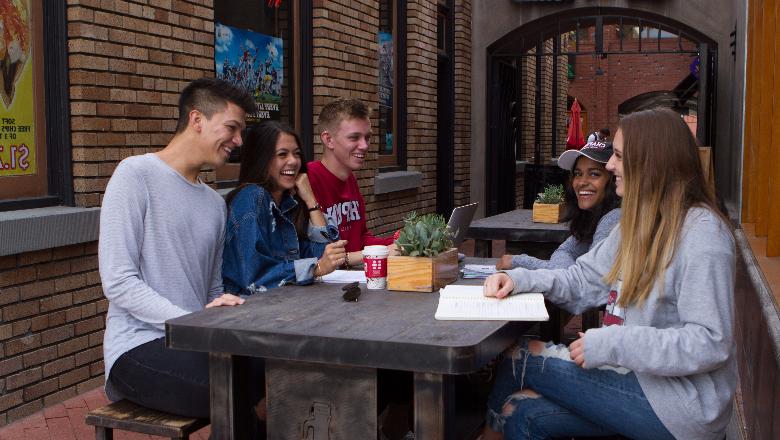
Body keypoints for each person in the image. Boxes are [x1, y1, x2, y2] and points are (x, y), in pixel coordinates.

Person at [482, 108, 736, 440]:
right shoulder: (637, 223)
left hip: (681, 408)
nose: (611, 165)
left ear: (650, 160)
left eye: (617, 155)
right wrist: (520, 278)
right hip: (639, 380)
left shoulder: (702, 234)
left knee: (517, 358)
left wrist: (615, 343)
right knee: (523, 415)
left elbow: (709, 343)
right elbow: (581, 280)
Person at [99, 78, 259, 419]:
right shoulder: (135, 175)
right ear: (197, 120)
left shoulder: (214, 204)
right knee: (238, 393)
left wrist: (220, 311)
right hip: (136, 347)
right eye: (231, 128)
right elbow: (118, 282)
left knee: (275, 373)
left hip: (193, 341)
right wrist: (191, 321)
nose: (238, 141)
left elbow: (212, 289)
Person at [222, 121, 348, 293]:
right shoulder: (251, 198)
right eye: (282, 154)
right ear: (262, 159)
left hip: (288, 308)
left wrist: (310, 200)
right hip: (247, 312)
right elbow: (253, 278)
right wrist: (316, 268)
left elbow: (325, 257)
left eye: (297, 154)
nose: (293, 161)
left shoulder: (290, 203)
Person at [496, 140, 620, 271]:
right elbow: (563, 251)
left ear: (614, 180)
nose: (582, 182)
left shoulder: (614, 218)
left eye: (594, 174)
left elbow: (588, 281)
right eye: (578, 174)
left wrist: (519, 261)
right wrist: (567, 272)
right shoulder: (591, 217)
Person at [307, 98, 396, 266]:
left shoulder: (349, 178)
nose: (364, 145)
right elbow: (313, 256)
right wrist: (383, 251)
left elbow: (360, 239)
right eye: (354, 137)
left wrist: (399, 241)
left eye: (367, 137)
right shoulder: (308, 178)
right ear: (328, 139)